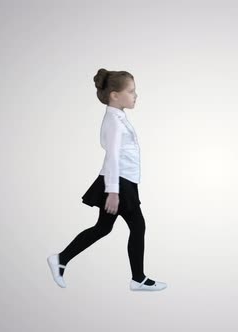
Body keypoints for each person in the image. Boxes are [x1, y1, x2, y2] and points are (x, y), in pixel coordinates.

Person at [47, 68, 167, 291]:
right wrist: (113, 192)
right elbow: (112, 156)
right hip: (119, 182)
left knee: (103, 227)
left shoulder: (118, 117)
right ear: (114, 95)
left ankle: (61, 259)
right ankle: (138, 279)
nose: (135, 95)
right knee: (137, 226)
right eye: (131, 91)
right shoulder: (113, 121)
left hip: (123, 180)